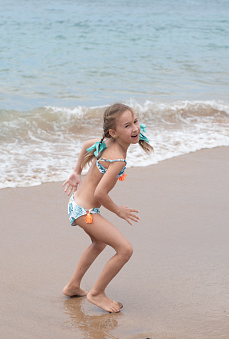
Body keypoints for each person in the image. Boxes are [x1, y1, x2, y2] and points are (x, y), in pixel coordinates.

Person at [62, 103, 153, 313]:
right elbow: (99, 194)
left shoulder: (106, 142)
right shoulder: (118, 159)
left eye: (136, 122)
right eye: (127, 126)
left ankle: (73, 286)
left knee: (99, 244)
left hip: (77, 205)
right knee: (125, 249)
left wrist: (77, 171)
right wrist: (118, 210)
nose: (135, 129)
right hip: (85, 212)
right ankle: (96, 293)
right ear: (114, 132)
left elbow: (86, 144)